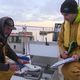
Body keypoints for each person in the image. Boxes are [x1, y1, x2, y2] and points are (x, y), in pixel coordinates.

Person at [58, 0, 80, 80]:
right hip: (70, 59)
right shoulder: (65, 25)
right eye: (63, 15)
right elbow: (60, 41)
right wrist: (62, 52)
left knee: (70, 71)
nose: (64, 18)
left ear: (74, 13)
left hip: (77, 59)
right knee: (65, 70)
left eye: (66, 15)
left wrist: (78, 54)